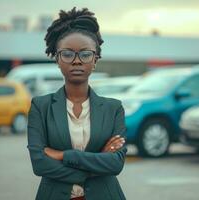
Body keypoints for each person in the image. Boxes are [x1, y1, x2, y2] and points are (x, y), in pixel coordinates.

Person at [27, 7, 127, 200]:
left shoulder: (114, 108)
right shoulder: (41, 106)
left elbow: (115, 165)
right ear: (57, 59)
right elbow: (39, 164)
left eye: (85, 54)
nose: (76, 61)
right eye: (67, 54)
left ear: (95, 60)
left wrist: (63, 156)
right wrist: (98, 163)